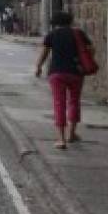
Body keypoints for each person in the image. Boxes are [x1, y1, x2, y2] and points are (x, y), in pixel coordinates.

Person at [35, 11, 94, 150]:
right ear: (70, 21)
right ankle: (72, 134)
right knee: (74, 101)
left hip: (57, 73)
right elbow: (91, 48)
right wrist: (83, 60)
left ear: (55, 23)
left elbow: (44, 53)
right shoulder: (78, 33)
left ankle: (61, 139)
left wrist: (38, 67)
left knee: (59, 103)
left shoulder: (52, 35)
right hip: (76, 72)